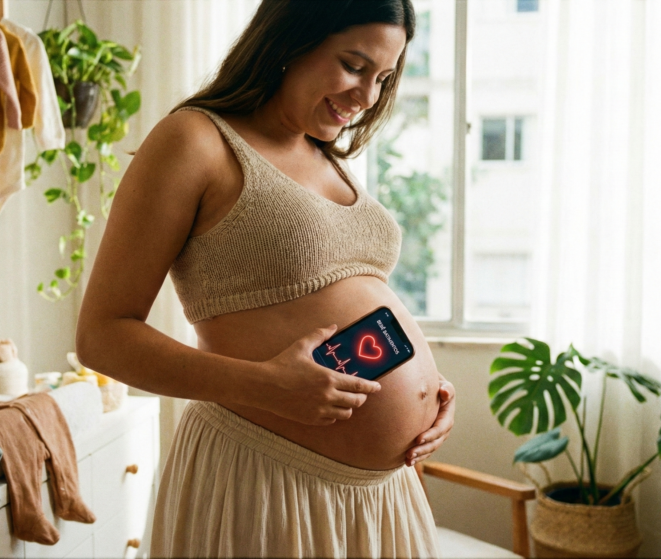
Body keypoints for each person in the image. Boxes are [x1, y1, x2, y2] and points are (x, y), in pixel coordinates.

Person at [76, 0, 454, 556]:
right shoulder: (195, 140)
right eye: (353, 65)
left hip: (379, 495)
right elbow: (101, 335)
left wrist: (430, 393)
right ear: (288, 40)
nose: (367, 96)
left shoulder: (326, 156)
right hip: (264, 477)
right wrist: (267, 386)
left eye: (383, 77)